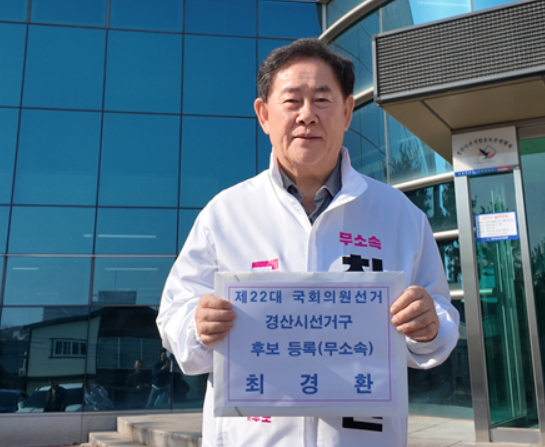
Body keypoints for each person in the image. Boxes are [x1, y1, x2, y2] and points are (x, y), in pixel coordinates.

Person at [157, 38, 459, 447]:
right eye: (291, 101)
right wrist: (196, 326)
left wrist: (429, 325)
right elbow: (174, 316)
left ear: (347, 111)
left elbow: (440, 313)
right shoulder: (224, 214)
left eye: (321, 99)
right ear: (264, 115)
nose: (307, 115)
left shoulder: (399, 215)